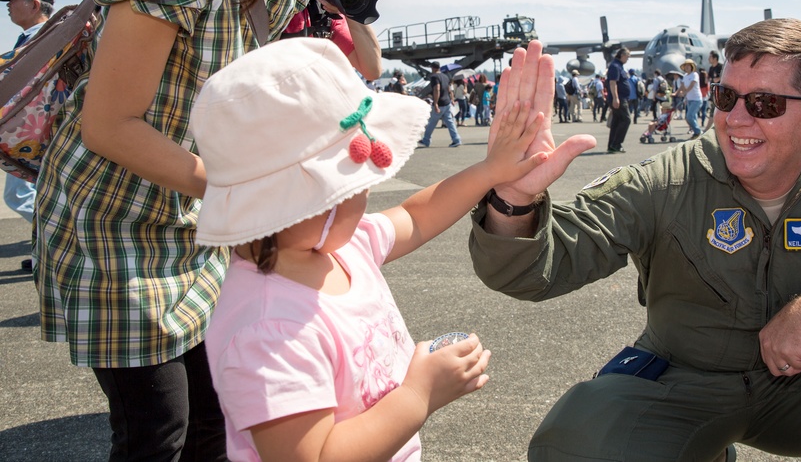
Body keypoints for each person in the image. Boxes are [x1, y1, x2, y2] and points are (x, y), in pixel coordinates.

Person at [32, 0, 401, 459]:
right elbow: (110, 125)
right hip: (113, 227)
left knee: (221, 416)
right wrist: (244, 196)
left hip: (196, 225)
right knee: (157, 429)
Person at [467, 20, 801, 461]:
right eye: (726, 96)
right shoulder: (665, 181)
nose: (735, 119)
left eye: (765, 103)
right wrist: (514, 202)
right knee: (579, 444)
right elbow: (536, 269)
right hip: (681, 381)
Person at [196, 38, 545, 462]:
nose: (366, 196)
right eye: (358, 187)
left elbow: (417, 216)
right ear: (312, 199)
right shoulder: (267, 330)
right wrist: (419, 394)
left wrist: (492, 170)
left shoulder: (340, 247)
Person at [0, 0, 54, 271]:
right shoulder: (37, 37)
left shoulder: (45, 38)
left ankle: (48, 250)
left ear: (33, 4)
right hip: (27, 132)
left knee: (19, 195)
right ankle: (43, 251)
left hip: (31, 135)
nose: (8, 5)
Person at [417, 61, 461, 148]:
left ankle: (426, 140)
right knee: (450, 122)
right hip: (447, 102)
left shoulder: (434, 77)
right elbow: (449, 89)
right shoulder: (445, 76)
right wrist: (451, 99)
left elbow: (437, 89)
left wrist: (436, 103)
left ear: (433, 68)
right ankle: (456, 139)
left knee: (432, 123)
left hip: (440, 103)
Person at [606, 48, 631, 153]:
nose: (628, 59)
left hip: (621, 97)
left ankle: (612, 145)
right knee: (626, 119)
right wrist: (615, 98)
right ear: (622, 55)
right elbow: (613, 83)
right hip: (619, 98)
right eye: (627, 57)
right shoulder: (615, 66)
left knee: (616, 121)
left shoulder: (619, 66)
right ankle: (616, 144)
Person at [677, 58, 703, 137]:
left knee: (689, 116)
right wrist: (677, 93)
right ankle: (696, 134)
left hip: (696, 99)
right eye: (686, 66)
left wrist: (685, 92)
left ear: (691, 67)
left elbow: (692, 85)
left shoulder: (694, 75)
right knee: (692, 118)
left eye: (688, 66)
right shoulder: (685, 76)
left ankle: (698, 132)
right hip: (689, 99)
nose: (687, 67)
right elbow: (682, 86)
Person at [704, 50, 722, 132]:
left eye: (710, 57)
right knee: (713, 111)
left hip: (721, 94)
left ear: (715, 58)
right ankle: (708, 130)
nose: (708, 59)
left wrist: (719, 78)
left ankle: (707, 130)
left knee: (717, 112)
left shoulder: (721, 67)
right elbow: (709, 80)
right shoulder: (711, 68)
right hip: (713, 93)